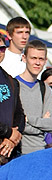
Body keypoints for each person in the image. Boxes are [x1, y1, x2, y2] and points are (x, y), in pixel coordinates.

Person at [17, 40, 52, 154]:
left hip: (40, 152)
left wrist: (29, 119)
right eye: (33, 58)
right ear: (24, 58)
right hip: (18, 151)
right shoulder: (14, 86)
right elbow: (15, 124)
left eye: (41, 59)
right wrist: (41, 123)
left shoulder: (45, 89)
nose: (37, 63)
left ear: (45, 61)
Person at [0, 34, 24, 164]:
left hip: (8, 151)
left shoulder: (10, 80)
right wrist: (9, 133)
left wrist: (13, 137)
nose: (0, 52)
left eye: (2, 48)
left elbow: (20, 114)